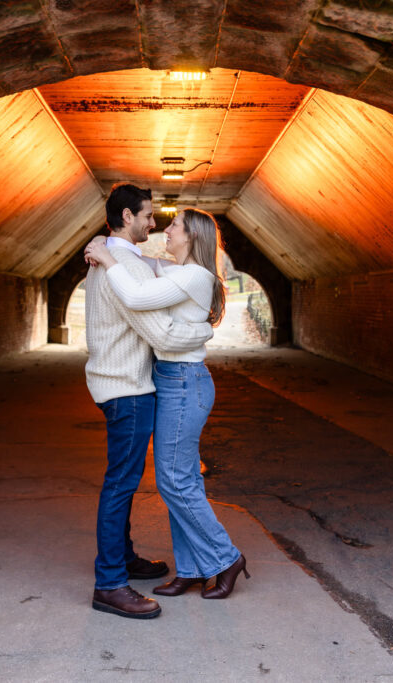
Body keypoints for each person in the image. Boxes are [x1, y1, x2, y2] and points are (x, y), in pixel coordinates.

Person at [84, 207, 249, 601]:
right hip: (171, 381)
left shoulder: (194, 275)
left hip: (184, 383)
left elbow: (138, 295)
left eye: (173, 225)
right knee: (183, 479)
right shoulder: (177, 270)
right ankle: (192, 568)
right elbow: (143, 262)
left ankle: (226, 558)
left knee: (174, 482)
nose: (165, 229)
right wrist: (104, 245)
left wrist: (108, 258)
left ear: (191, 236)